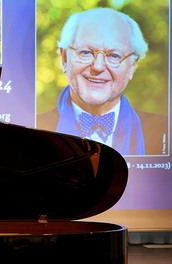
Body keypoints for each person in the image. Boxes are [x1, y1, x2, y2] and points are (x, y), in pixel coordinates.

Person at [37, 8, 168, 156]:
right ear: (64, 58)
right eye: (85, 52)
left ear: (132, 66)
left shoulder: (165, 131)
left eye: (114, 56)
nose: (98, 67)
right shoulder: (32, 130)